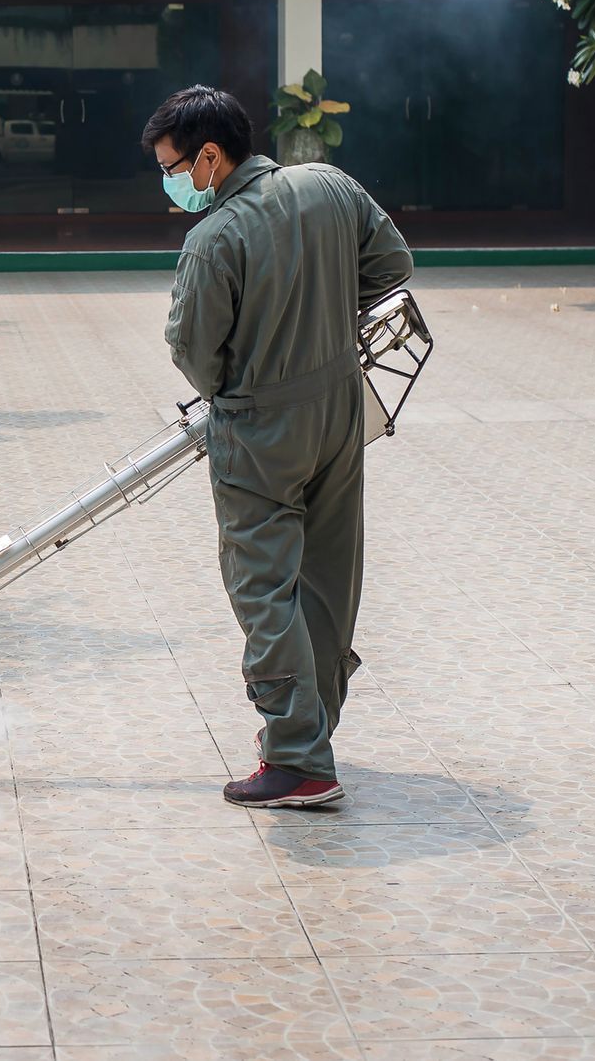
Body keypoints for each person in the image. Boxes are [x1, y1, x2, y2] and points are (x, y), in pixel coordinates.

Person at [143, 84, 412, 809]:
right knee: (327, 579)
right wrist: (326, 322)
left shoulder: (213, 241)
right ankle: (312, 730)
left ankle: (298, 759)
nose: (171, 184)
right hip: (340, 410)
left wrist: (251, 375)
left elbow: (195, 354)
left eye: (174, 168)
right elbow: (393, 269)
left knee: (266, 588)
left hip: (261, 431)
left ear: (209, 156)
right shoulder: (329, 185)